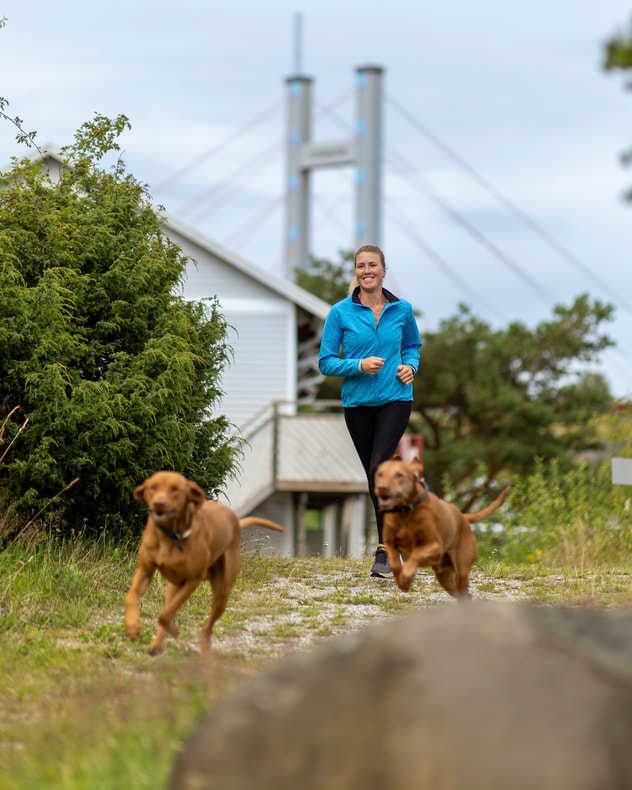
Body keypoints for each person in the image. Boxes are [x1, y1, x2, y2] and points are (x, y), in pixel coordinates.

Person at [318, 244, 422, 577]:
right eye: (361, 266)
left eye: (372, 265)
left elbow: (412, 347)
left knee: (380, 469)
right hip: (358, 405)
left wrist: (411, 368)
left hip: (396, 398)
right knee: (374, 478)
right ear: (356, 272)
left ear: (383, 270)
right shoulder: (340, 313)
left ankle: (385, 551)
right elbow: (326, 362)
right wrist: (358, 364)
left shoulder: (402, 310)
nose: (367, 270)